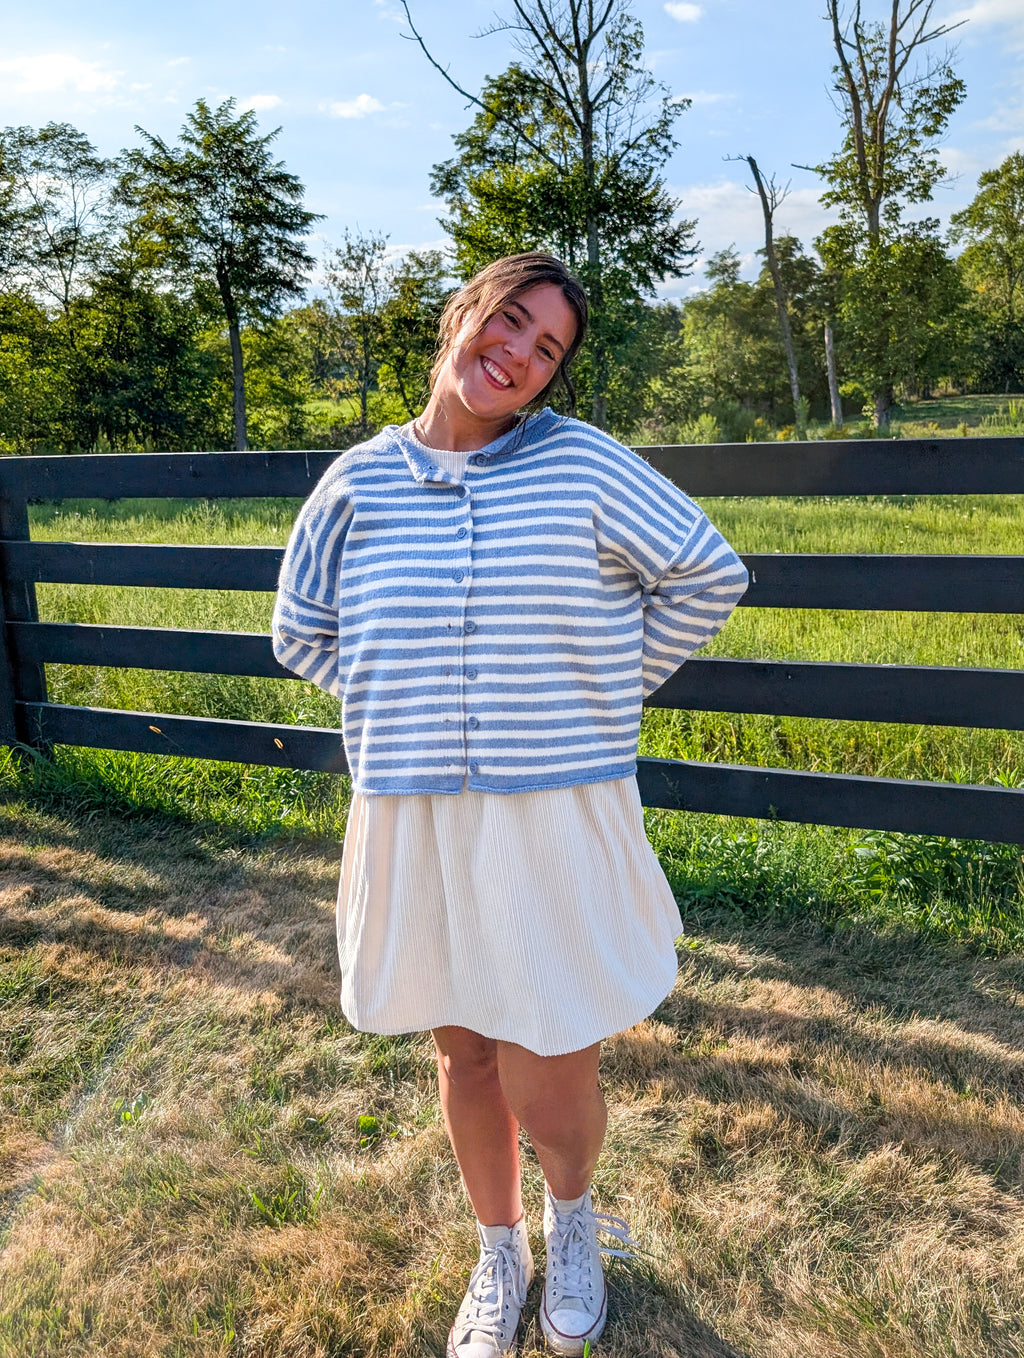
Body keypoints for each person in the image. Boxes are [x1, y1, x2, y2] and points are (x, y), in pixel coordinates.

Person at [272, 252, 747, 1357]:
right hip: (416, 808)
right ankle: (501, 1250)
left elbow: (704, 572)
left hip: (548, 809)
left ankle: (573, 1221)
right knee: (465, 1052)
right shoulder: (355, 482)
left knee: (551, 1048)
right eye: (512, 323)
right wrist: (412, 702)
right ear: (465, 314)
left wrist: (591, 689)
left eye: (548, 352)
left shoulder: (578, 462)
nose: (520, 357)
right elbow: (303, 632)